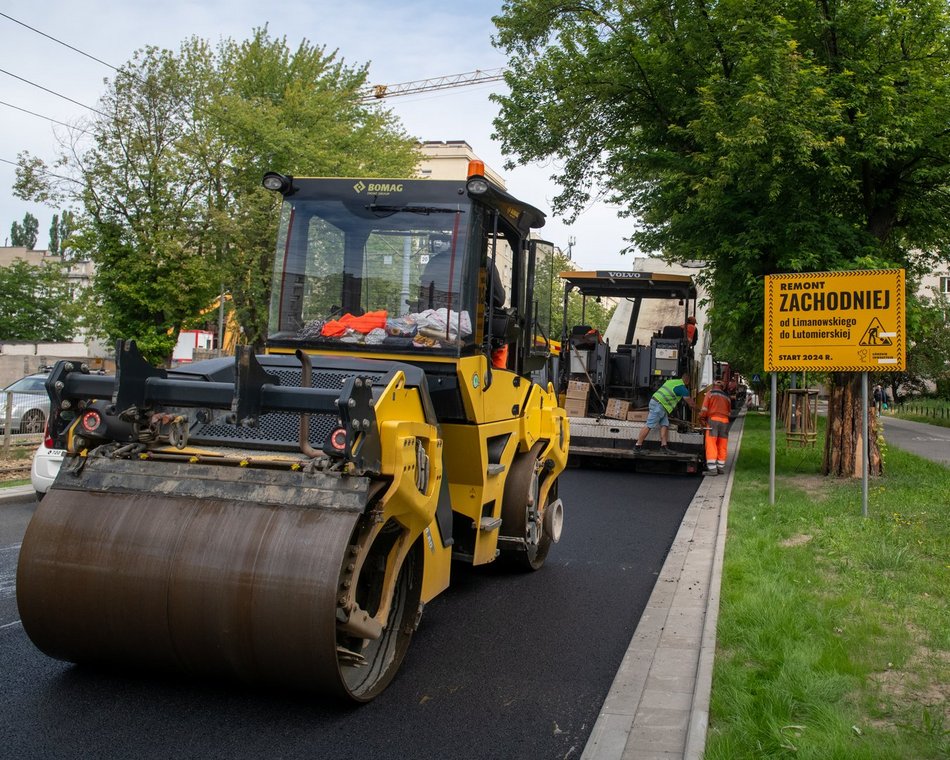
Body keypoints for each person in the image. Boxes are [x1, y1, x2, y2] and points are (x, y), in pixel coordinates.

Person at [634, 371, 695, 455]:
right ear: (687, 381)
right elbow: (691, 403)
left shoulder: (672, 381)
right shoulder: (682, 388)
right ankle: (637, 446)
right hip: (659, 406)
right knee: (649, 425)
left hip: (659, 404)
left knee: (665, 424)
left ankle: (664, 447)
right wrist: (699, 410)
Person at [699, 380, 732, 475]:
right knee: (722, 444)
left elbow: (704, 409)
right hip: (725, 422)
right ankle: (720, 467)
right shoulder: (727, 397)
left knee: (711, 443)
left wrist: (701, 417)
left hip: (713, 420)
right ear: (723, 387)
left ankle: (712, 469)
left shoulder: (710, 394)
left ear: (713, 386)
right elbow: (729, 412)